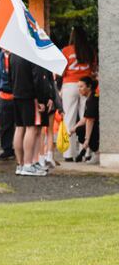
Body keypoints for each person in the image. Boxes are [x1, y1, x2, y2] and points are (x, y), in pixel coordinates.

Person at [9, 55, 53, 176]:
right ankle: (28, 164)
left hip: (17, 94)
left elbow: (10, 77)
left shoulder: (14, 54)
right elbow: (38, 78)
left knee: (19, 128)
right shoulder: (33, 55)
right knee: (31, 128)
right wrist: (41, 99)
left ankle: (21, 164)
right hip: (30, 96)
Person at [60, 27, 98, 162]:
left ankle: (68, 154)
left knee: (69, 118)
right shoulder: (90, 50)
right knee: (87, 118)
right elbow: (93, 69)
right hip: (86, 86)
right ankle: (86, 151)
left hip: (70, 85)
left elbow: (62, 69)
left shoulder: (66, 50)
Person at [0, 49, 15, 160]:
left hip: (18, 93)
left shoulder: (17, 55)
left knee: (20, 124)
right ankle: (7, 149)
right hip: (5, 94)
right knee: (5, 124)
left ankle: (21, 148)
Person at [73, 76, 99, 163]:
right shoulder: (91, 98)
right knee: (78, 129)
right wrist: (74, 128)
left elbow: (90, 120)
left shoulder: (92, 100)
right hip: (97, 127)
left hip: (99, 129)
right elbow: (85, 118)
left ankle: (97, 153)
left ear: (89, 87)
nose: (79, 89)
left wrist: (87, 140)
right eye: (78, 87)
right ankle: (95, 152)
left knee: (81, 130)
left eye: (81, 86)